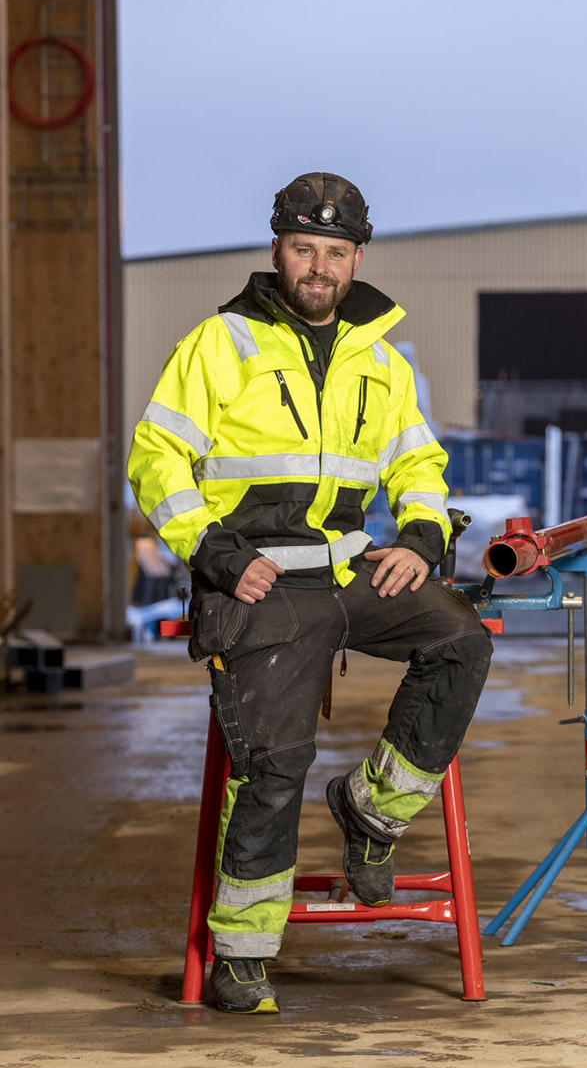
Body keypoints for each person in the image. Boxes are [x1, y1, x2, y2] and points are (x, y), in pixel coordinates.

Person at [127, 172, 493, 1015]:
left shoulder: (382, 359)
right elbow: (155, 460)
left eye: (334, 252)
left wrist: (419, 539)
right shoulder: (220, 343)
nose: (318, 267)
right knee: (274, 760)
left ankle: (371, 809)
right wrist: (217, 555)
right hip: (256, 575)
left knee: (460, 637)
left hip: (348, 566)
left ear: (357, 257)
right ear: (276, 251)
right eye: (303, 249)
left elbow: (417, 463)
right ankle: (244, 955)